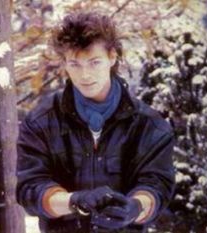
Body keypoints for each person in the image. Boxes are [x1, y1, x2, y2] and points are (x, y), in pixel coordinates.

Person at [16, 11, 175, 233]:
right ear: (64, 63)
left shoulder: (150, 125)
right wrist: (74, 200)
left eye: (94, 62)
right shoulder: (40, 120)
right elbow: (29, 188)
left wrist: (135, 207)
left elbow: (157, 185)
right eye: (75, 64)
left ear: (112, 57)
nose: (85, 75)